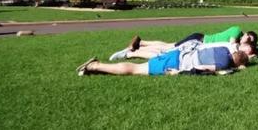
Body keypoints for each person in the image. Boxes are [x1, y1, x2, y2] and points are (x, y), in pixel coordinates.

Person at [77, 44, 249, 77]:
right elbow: (202, 69)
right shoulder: (223, 65)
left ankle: (96, 66)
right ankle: (95, 66)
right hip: (175, 65)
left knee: (141, 63)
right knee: (135, 69)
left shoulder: (224, 50)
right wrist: (179, 72)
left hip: (176, 54)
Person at [108, 26, 258, 61]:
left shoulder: (239, 39)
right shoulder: (237, 31)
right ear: (246, 34)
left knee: (169, 45)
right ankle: (139, 45)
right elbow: (232, 47)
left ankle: (141, 43)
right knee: (169, 48)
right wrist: (245, 56)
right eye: (248, 38)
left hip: (199, 41)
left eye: (249, 41)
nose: (246, 40)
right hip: (199, 40)